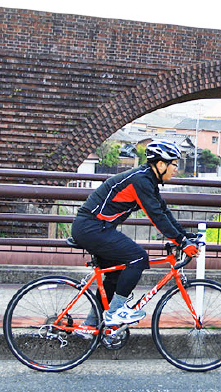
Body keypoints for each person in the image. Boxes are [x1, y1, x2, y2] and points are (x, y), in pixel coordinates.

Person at [71, 140, 199, 328]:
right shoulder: (141, 180)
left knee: (116, 274)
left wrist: (184, 236)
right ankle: (115, 312)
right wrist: (181, 242)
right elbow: (156, 216)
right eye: (174, 164)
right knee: (138, 258)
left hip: (95, 228)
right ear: (161, 164)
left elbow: (164, 212)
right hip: (92, 228)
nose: (176, 169)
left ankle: (91, 323)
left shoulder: (148, 180)